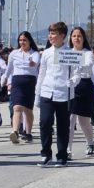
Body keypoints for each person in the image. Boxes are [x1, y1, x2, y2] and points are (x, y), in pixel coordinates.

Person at [34, 22, 72, 167]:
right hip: (47, 92)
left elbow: (77, 72)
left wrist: (73, 80)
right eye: (50, 33)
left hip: (63, 94)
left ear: (62, 35)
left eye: (54, 33)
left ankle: (62, 156)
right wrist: (37, 95)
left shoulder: (70, 53)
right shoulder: (46, 53)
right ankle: (46, 154)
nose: (50, 36)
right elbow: (41, 74)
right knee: (45, 123)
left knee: (63, 126)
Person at [2, 31, 40, 143]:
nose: (22, 42)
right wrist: (4, 79)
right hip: (17, 81)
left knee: (28, 110)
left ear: (29, 41)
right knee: (17, 107)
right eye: (20, 40)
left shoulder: (34, 53)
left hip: (30, 81)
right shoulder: (14, 54)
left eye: (24, 40)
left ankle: (28, 132)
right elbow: (8, 69)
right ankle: (15, 131)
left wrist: (31, 61)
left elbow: (35, 63)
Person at [67, 27, 94, 159]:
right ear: (71, 38)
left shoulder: (88, 53)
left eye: (79, 36)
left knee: (84, 121)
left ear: (83, 38)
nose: (77, 38)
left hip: (84, 86)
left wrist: (78, 65)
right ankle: (67, 149)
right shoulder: (67, 53)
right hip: (70, 87)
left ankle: (90, 143)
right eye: (74, 36)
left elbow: (89, 64)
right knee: (70, 120)